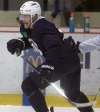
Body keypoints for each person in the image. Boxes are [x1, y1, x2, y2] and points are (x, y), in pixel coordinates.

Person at [7, 1, 94, 112]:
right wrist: (20, 43)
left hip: (60, 60)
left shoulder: (42, 26)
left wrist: (48, 66)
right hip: (71, 59)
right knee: (72, 93)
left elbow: (54, 46)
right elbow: (34, 40)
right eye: (21, 16)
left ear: (34, 16)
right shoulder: (30, 27)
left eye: (25, 16)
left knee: (28, 85)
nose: (22, 19)